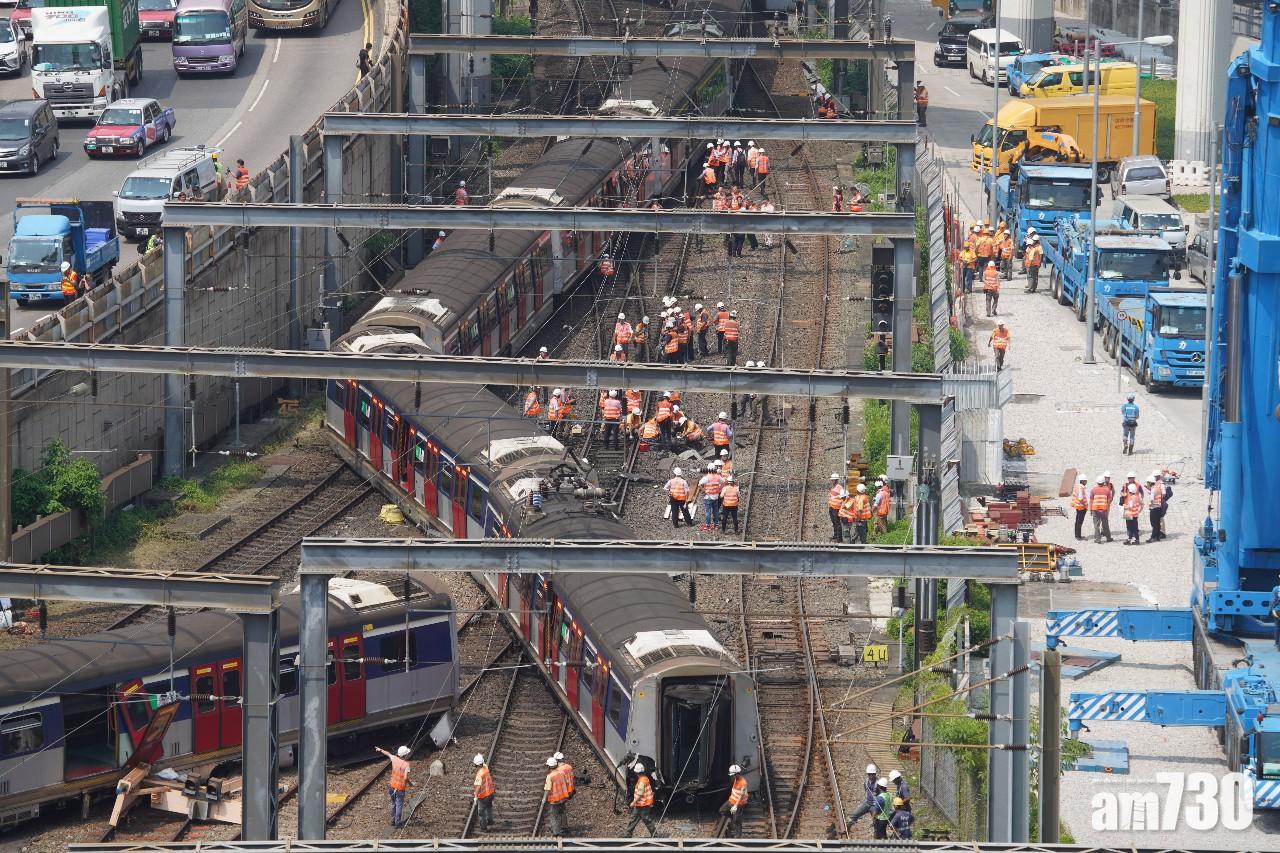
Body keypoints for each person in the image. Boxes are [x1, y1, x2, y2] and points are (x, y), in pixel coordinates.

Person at [374, 745, 412, 828]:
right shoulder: (406, 765)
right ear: (405, 755)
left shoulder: (394, 758)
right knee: (399, 805)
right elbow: (405, 778)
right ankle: (397, 823)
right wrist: (410, 783)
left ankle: (392, 820)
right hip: (400, 789)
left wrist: (380, 749)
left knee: (393, 803)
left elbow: (387, 753)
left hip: (391, 786)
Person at [624, 761, 657, 837]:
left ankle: (655, 834)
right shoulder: (645, 778)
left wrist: (633, 802)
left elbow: (640, 794)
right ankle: (628, 833)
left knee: (646, 819)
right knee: (633, 818)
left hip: (644, 804)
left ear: (636, 772)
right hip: (640, 804)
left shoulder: (642, 781)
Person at [543, 756, 572, 837]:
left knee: (554, 816)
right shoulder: (561, 773)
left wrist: (544, 800)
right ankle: (565, 828)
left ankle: (556, 832)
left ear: (549, 766)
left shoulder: (550, 777)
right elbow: (566, 783)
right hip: (563, 798)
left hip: (554, 800)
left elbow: (547, 789)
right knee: (562, 813)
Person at [847, 764, 879, 828]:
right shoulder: (866, 781)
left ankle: (877, 835)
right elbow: (865, 789)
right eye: (869, 774)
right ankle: (847, 827)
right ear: (868, 774)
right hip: (867, 802)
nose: (871, 776)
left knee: (876, 823)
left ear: (875, 774)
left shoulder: (879, 783)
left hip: (874, 805)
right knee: (854, 815)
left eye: (873, 774)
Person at [722, 765, 748, 838]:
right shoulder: (736, 778)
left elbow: (741, 795)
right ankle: (734, 817)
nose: (732, 776)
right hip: (731, 800)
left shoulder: (743, 783)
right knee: (722, 810)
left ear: (737, 774)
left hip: (738, 803)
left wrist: (735, 806)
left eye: (733, 775)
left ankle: (738, 837)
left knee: (737, 821)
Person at [472, 753, 495, 831]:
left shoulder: (479, 774)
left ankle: (483, 828)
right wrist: (480, 756)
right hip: (491, 792)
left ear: (477, 765)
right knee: (489, 807)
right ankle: (490, 821)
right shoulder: (485, 767)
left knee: (481, 812)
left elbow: (478, 786)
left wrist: (475, 797)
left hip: (483, 796)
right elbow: (483, 763)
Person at [698, 464, 723, 532]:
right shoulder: (718, 477)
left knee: (708, 512)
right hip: (716, 497)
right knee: (716, 511)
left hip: (708, 497)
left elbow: (699, 484)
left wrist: (704, 490)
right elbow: (723, 482)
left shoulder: (707, 477)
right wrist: (719, 489)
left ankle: (708, 525)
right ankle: (716, 524)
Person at [1089, 475, 1113, 544]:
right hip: (1104, 509)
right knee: (1105, 524)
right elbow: (1109, 500)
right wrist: (1107, 508)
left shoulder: (1093, 489)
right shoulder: (1107, 490)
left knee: (1096, 525)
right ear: (1103, 482)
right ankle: (1108, 538)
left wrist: (1090, 509)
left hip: (1095, 509)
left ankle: (1098, 539)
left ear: (1097, 482)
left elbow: (1091, 500)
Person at [827, 473, 848, 541]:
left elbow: (843, 496)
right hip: (831, 507)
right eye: (832, 480)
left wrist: (835, 497)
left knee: (837, 523)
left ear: (836, 480)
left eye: (833, 480)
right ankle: (835, 535)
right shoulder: (833, 487)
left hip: (836, 508)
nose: (832, 481)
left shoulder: (840, 487)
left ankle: (839, 538)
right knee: (834, 522)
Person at [1070, 474, 1088, 540]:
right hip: (1081, 507)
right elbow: (1080, 498)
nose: (1086, 482)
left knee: (1077, 521)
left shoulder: (1076, 486)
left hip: (1077, 506)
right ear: (1082, 481)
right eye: (1085, 481)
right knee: (1080, 521)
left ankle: (1077, 535)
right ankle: (1078, 536)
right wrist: (1085, 504)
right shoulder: (1081, 487)